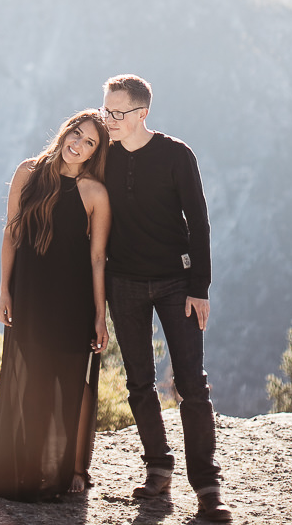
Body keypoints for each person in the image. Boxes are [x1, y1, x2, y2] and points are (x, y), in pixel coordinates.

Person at [102, 73, 233, 524]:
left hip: (177, 284)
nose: (109, 119)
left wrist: (200, 288)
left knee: (191, 384)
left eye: (117, 113)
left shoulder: (177, 156)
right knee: (138, 381)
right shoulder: (105, 155)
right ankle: (157, 467)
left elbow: (199, 222)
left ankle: (208, 488)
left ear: (142, 114)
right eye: (106, 110)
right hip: (123, 284)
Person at [0, 110, 112, 500]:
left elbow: (97, 258)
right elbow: (12, 233)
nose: (79, 145)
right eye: (77, 134)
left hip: (73, 302)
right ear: (66, 130)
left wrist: (100, 316)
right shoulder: (29, 172)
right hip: (30, 296)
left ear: (94, 153)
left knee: (72, 382)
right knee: (30, 381)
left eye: (90, 143)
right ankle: (21, 470)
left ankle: (71, 469)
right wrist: (5, 290)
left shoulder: (94, 193)